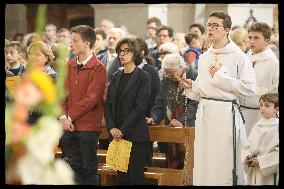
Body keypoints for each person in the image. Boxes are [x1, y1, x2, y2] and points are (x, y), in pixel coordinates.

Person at [181, 11, 256, 185]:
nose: (211, 29)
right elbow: (204, 88)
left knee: (222, 159)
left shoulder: (238, 56)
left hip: (225, 114)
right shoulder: (205, 56)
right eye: (209, 25)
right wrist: (191, 86)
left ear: (227, 30)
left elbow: (249, 88)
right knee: (205, 158)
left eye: (216, 26)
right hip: (205, 112)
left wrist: (221, 77)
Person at [60, 25, 108, 185]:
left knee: (89, 169)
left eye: (74, 41)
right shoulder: (70, 65)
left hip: (88, 127)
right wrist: (62, 117)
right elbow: (61, 94)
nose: (71, 44)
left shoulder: (98, 68)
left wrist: (69, 116)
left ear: (86, 43)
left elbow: (92, 98)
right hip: (68, 126)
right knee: (74, 169)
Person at [104, 37, 151, 185]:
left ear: (135, 54)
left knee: (135, 178)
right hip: (117, 136)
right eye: (120, 51)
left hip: (135, 135)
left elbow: (140, 108)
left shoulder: (143, 77)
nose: (122, 54)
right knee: (122, 179)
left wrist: (122, 130)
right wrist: (111, 127)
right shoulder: (116, 76)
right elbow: (108, 105)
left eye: (126, 51)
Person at [147, 53, 198, 169]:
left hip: (190, 126)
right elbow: (160, 101)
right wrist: (154, 118)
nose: (169, 75)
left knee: (188, 163)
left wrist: (182, 121)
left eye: (171, 72)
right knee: (172, 162)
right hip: (172, 124)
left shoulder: (194, 75)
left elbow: (195, 104)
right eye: (167, 72)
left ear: (181, 67)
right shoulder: (165, 79)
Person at [239, 22, 279, 136]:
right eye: (250, 37)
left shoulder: (273, 63)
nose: (252, 41)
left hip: (260, 114)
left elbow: (274, 92)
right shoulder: (244, 59)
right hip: (241, 111)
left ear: (267, 40)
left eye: (256, 38)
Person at [242, 92, 279, 185]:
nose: (262, 108)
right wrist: (247, 157)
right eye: (261, 105)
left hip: (268, 171)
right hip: (255, 171)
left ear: (276, 109)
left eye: (267, 105)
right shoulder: (257, 125)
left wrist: (261, 161)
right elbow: (248, 145)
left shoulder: (276, 127)